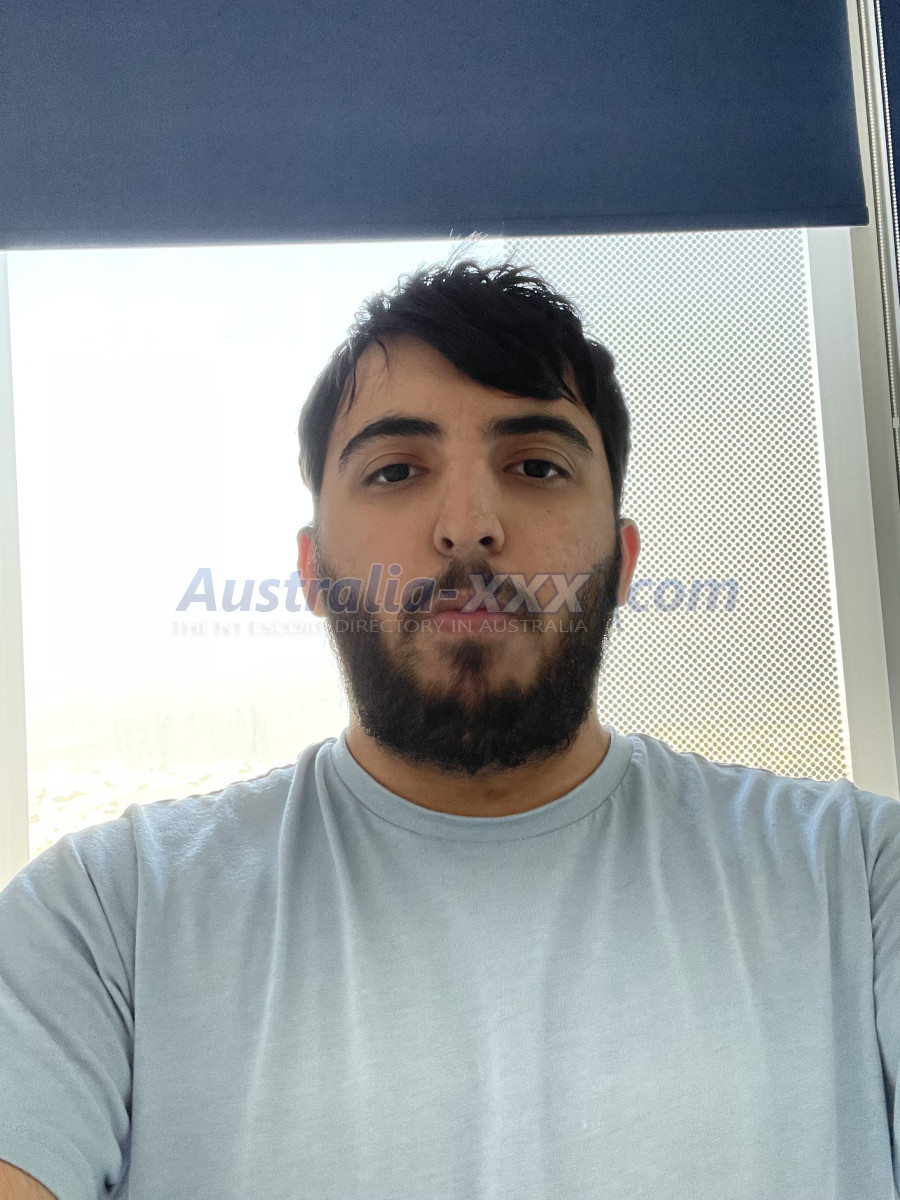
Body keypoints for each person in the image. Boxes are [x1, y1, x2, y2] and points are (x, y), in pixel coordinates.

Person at [0, 255, 898, 1200]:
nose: (468, 526)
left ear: (623, 562)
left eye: (537, 466)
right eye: (395, 470)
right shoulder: (104, 920)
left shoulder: (859, 879)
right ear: (311, 570)